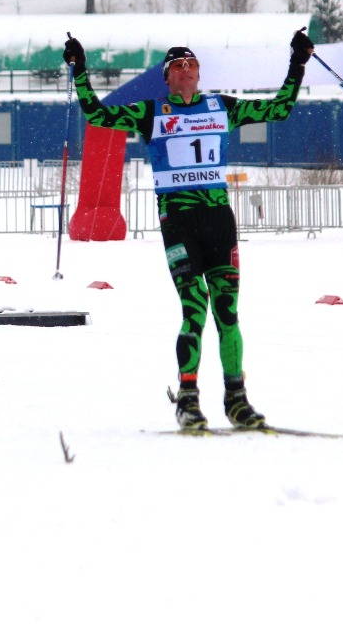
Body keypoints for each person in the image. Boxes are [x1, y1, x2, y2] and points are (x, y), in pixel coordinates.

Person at [63, 29, 313, 431]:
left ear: (199, 73)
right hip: (178, 221)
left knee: (228, 312)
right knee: (195, 307)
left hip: (218, 221)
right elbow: (97, 114)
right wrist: (80, 71)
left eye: (192, 65)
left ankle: (237, 399)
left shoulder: (221, 107)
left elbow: (278, 110)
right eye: (178, 66)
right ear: (167, 77)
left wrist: (297, 64)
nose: (186, 71)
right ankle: (188, 398)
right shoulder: (151, 111)